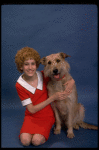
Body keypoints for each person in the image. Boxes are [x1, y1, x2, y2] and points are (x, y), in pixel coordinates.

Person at [15, 47, 75, 146]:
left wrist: (72, 81)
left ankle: (42, 132)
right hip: (31, 115)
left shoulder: (43, 75)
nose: (30, 67)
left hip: (47, 115)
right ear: (21, 66)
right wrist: (53, 97)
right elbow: (32, 110)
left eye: (33, 64)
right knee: (25, 141)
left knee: (36, 141)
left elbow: (62, 76)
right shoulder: (19, 85)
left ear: (37, 65)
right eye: (26, 64)